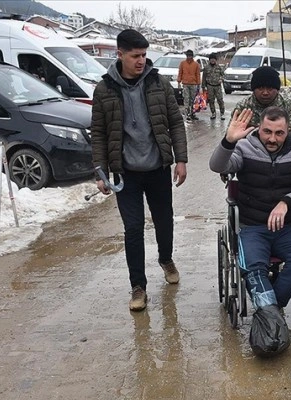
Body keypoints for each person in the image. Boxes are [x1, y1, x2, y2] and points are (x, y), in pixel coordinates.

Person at [91, 29, 188, 312]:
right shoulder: (105, 89)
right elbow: (98, 133)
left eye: (144, 55)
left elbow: (175, 122)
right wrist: (101, 171)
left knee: (164, 220)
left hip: (157, 167)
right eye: (135, 56)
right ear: (119, 55)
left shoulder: (159, 83)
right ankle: (138, 287)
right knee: (133, 229)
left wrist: (180, 159)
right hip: (126, 174)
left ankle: (166, 258)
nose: (141, 61)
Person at [209, 106, 291, 326]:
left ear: (287, 131)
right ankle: (272, 315)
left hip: (288, 227)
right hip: (252, 227)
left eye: (279, 133)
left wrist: (286, 202)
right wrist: (228, 141)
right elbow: (217, 166)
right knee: (252, 266)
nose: (272, 138)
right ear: (259, 128)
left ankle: (270, 310)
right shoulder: (243, 147)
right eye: (267, 131)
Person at [231, 66, 291, 152]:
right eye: (260, 88)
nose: (265, 92)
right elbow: (231, 138)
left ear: (277, 89)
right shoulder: (243, 107)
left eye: (270, 88)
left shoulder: (288, 106)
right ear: (253, 89)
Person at [178, 49, 201, 121]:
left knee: (193, 100)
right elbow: (180, 72)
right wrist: (179, 81)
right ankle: (187, 114)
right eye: (188, 56)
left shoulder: (196, 64)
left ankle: (193, 113)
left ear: (192, 56)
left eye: (190, 56)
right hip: (185, 84)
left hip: (193, 84)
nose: (189, 57)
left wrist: (198, 84)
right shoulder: (182, 63)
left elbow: (198, 74)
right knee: (186, 99)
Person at [202, 53, 226, 120]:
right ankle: (213, 113)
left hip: (218, 86)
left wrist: (221, 79)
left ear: (216, 60)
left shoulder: (219, 67)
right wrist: (203, 87)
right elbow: (204, 78)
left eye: (214, 59)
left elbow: (223, 75)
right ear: (209, 60)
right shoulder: (206, 68)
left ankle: (222, 113)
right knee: (211, 100)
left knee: (220, 100)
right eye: (211, 59)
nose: (212, 60)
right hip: (210, 86)